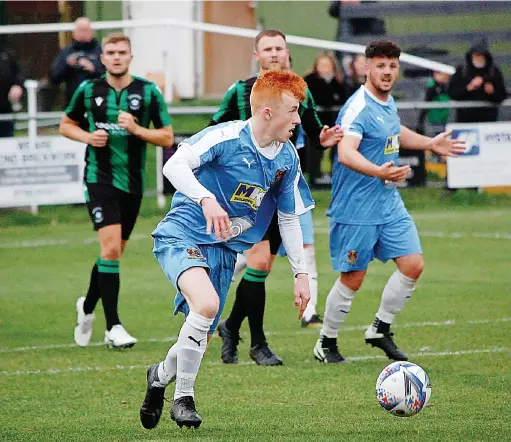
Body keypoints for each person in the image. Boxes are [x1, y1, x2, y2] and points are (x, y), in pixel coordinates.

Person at [139, 70, 314, 429]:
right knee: (205, 305)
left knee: (200, 328)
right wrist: (205, 199)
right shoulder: (226, 137)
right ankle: (183, 398)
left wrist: (301, 274)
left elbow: (289, 218)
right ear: (267, 113)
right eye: (293, 111)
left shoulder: (287, 160)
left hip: (222, 249)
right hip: (183, 233)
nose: (298, 119)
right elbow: (174, 164)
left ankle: (158, 376)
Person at [313, 40, 466, 363]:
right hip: (356, 206)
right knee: (353, 277)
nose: (386, 72)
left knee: (413, 265)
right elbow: (345, 152)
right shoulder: (357, 107)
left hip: (387, 202)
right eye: (380, 66)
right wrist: (377, 170)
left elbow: (393, 131)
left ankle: (379, 328)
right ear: (366, 68)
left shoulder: (387, 101)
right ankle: (326, 342)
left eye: (392, 66)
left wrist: (430, 144)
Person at [210, 29, 342, 365]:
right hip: (249, 192)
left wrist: (323, 138)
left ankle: (231, 327)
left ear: (286, 53)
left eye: (278, 48)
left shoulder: (299, 91)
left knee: (262, 266)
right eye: (266, 48)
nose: (273, 54)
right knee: (258, 263)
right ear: (256, 55)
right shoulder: (241, 92)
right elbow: (214, 132)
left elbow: (313, 131)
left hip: (283, 186)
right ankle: (258, 343)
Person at [59, 33, 174, 349]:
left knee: (112, 252)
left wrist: (137, 129)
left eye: (122, 52)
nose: (116, 57)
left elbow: (167, 137)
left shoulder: (148, 92)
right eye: (110, 52)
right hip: (99, 179)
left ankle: (86, 306)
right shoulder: (88, 90)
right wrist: (87, 138)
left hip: (134, 185)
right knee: (110, 249)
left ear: (130, 57)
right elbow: (65, 124)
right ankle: (114, 327)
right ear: (103, 58)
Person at [304, 51, 348, 188]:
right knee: (314, 150)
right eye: (322, 65)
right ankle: (314, 177)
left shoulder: (338, 82)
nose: (325, 68)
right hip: (315, 122)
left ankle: (334, 176)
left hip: (334, 121)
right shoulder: (309, 81)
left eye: (327, 65)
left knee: (336, 149)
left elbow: (341, 99)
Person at [448, 39, 507, 123]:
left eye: (481, 55)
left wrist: (492, 92)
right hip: (465, 120)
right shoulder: (462, 71)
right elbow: (452, 93)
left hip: (488, 119)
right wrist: (468, 88)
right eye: (476, 55)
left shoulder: (494, 72)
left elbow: (502, 95)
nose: (478, 58)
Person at [51, 17, 105, 106]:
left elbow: (109, 75)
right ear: (74, 33)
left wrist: (93, 69)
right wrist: (67, 65)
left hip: (98, 101)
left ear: (92, 32)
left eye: (85, 30)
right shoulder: (66, 52)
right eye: (80, 30)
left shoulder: (101, 51)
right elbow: (54, 78)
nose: (83, 34)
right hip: (73, 102)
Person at [0, 39, 25, 137]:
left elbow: (21, 72)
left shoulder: (7, 52)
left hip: (5, 109)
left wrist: (18, 85)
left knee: (7, 143)